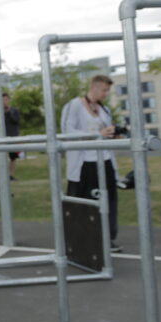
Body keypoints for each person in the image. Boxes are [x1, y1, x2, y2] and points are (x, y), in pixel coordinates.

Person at [61, 75, 122, 252]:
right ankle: (80, 241)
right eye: (104, 90)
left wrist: (113, 134)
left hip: (105, 160)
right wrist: (96, 134)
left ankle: (107, 238)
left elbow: (106, 133)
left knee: (109, 200)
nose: (106, 94)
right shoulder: (74, 106)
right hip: (84, 163)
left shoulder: (105, 110)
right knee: (83, 202)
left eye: (107, 90)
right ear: (93, 87)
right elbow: (67, 132)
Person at [3, 92, 22, 180]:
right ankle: (4, 175)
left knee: (13, 157)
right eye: (3, 100)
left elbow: (16, 121)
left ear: (9, 100)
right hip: (3, 137)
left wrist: (9, 112)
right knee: (3, 156)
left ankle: (10, 175)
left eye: (6, 99)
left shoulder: (14, 110)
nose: (4, 101)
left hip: (13, 136)